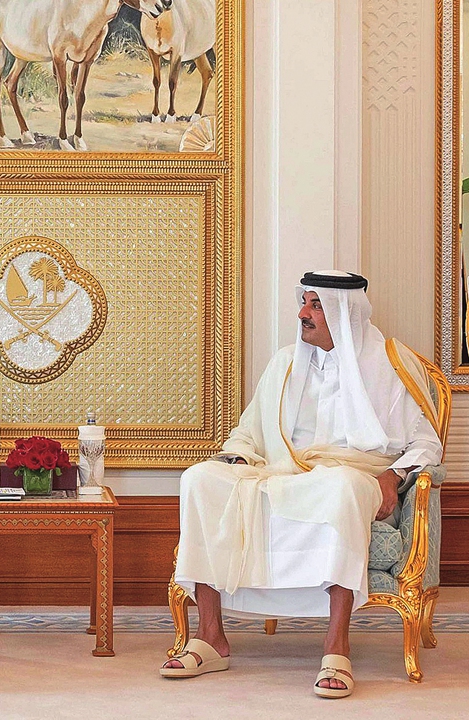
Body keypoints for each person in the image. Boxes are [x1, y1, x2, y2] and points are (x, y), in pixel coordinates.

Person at [160, 270, 442, 699]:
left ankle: (336, 648)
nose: (302, 314)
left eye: (314, 305)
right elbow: (249, 431)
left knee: (342, 487)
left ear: (342, 313)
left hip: (357, 475)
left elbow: (425, 442)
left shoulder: (390, 365)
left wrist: (392, 475)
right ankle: (210, 637)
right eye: (304, 303)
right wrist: (235, 457)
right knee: (200, 479)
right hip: (283, 473)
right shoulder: (285, 362)